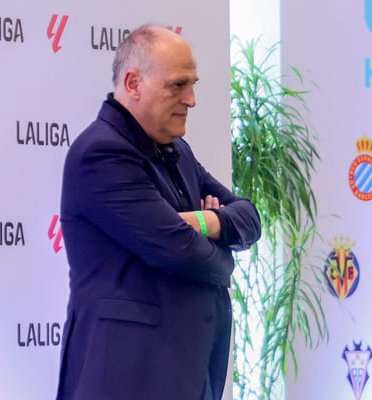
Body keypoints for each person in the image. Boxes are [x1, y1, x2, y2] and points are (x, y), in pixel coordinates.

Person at [55, 24, 261, 400]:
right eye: (177, 85)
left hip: (185, 372)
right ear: (133, 83)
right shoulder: (101, 154)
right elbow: (184, 254)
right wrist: (224, 252)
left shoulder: (177, 150)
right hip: (129, 378)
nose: (191, 100)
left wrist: (205, 222)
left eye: (192, 85)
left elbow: (250, 217)